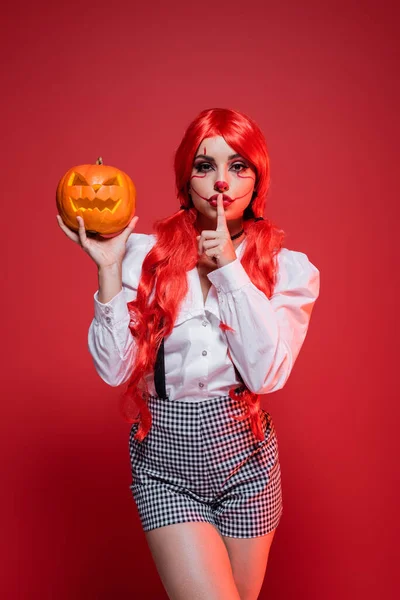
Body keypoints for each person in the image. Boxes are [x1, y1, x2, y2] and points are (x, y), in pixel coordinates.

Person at [57, 107, 320, 600]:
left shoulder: (290, 270)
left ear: (258, 177)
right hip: (164, 463)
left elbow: (266, 376)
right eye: (205, 166)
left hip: (247, 461)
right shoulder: (141, 254)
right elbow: (115, 372)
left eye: (238, 165)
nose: (221, 181)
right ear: (185, 178)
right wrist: (109, 271)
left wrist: (229, 271)